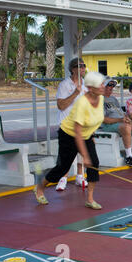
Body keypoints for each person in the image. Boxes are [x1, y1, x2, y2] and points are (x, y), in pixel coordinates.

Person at [33, 72, 106, 209]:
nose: (103, 86)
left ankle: (90, 199)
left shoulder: (100, 98)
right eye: (100, 84)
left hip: (86, 135)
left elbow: (96, 118)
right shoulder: (82, 103)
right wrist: (84, 156)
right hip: (69, 135)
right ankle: (40, 187)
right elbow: (77, 132)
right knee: (62, 168)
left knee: (94, 164)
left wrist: (120, 120)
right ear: (90, 88)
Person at [55, 57, 88, 192]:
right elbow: (61, 105)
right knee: (65, 153)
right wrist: (75, 93)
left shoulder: (85, 84)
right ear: (73, 69)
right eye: (80, 66)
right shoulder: (64, 85)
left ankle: (80, 176)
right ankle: (62, 178)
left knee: (81, 152)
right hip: (66, 125)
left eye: (84, 66)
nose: (83, 68)